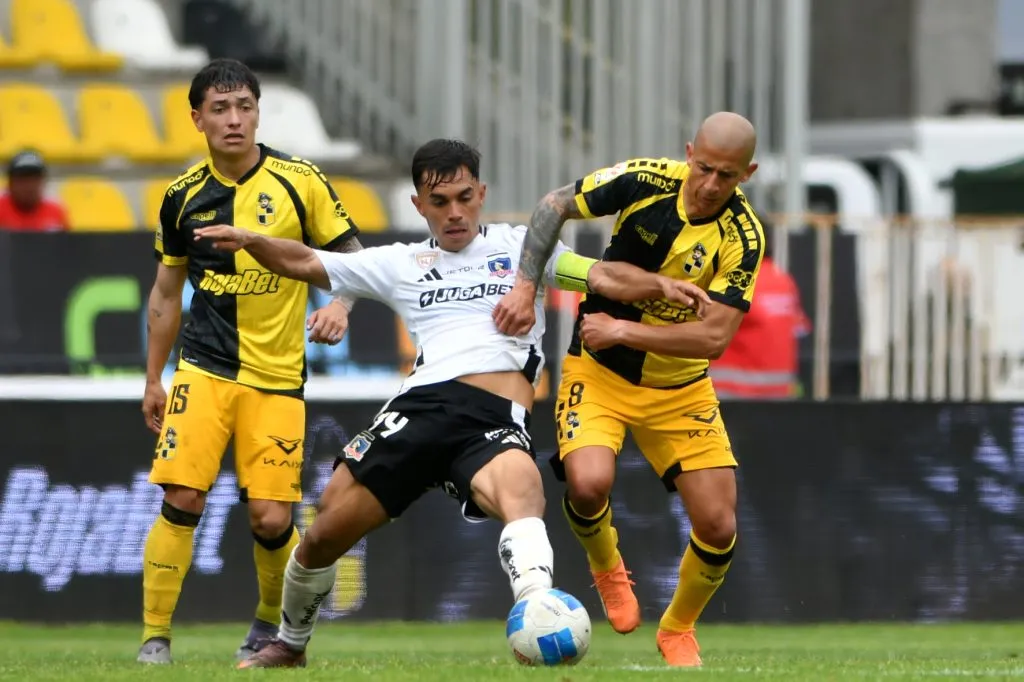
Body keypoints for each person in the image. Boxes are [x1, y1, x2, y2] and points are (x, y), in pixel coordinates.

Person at [191, 138, 711, 669]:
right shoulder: (401, 263)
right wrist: (252, 238)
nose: (455, 212)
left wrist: (658, 286)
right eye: (439, 203)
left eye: (465, 197)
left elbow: (599, 275)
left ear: (482, 193)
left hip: (489, 417)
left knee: (523, 488)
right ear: (418, 205)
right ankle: (289, 644)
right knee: (324, 532)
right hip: (417, 410)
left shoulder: (522, 249)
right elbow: (306, 260)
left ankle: (537, 614)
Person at [492, 112, 767, 668]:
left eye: (728, 176)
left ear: (749, 173)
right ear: (690, 153)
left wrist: (624, 327)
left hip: (680, 388)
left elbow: (715, 337)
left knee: (718, 524)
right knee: (589, 484)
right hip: (600, 373)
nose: (712, 184)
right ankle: (607, 568)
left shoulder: (745, 235)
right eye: (706, 168)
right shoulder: (644, 180)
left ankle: (677, 628)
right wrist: (526, 288)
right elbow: (552, 206)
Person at [138, 58, 362, 665]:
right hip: (204, 371)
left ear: (258, 112)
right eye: (220, 108)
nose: (234, 120)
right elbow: (165, 294)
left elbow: (352, 258)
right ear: (197, 119)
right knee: (183, 496)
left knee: (269, 517)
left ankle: (268, 624)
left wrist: (340, 303)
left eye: (244, 107)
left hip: (278, 378)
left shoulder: (300, 181)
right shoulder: (181, 197)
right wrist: (154, 378)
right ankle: (154, 636)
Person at [712, 232, 811, 399]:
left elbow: (704, 329)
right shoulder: (783, 280)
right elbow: (799, 329)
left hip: (730, 392)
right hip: (779, 393)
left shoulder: (736, 280)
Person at [0, 150, 69, 232]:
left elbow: (66, 243)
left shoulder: (55, 211)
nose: (29, 186)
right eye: (23, 180)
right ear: (10, 183)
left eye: (34, 180)